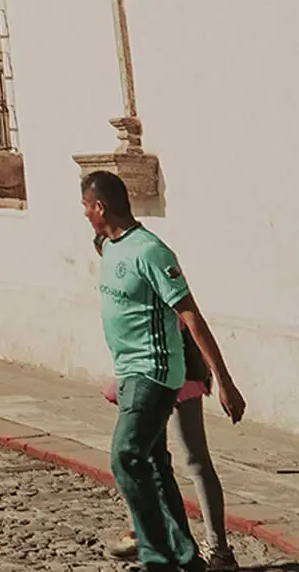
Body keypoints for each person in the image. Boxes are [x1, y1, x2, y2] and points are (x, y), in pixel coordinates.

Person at [82, 171, 245, 572]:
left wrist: (224, 381)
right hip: (130, 373)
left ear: (99, 207)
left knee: (126, 456)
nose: (84, 214)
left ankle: (158, 557)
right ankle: (186, 557)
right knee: (153, 464)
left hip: (154, 373)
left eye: (86, 207)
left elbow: (190, 315)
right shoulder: (109, 246)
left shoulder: (150, 251)